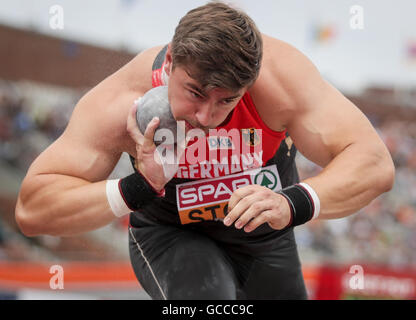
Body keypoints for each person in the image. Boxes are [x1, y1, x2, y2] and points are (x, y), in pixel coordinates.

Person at [15, 2, 395, 299]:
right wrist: (140, 186)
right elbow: (32, 210)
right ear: (170, 63)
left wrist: (290, 203)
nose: (207, 116)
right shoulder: (123, 102)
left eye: (226, 101)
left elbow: (374, 163)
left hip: (261, 235)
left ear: (249, 85)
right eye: (194, 92)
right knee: (208, 298)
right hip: (171, 234)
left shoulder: (282, 82)